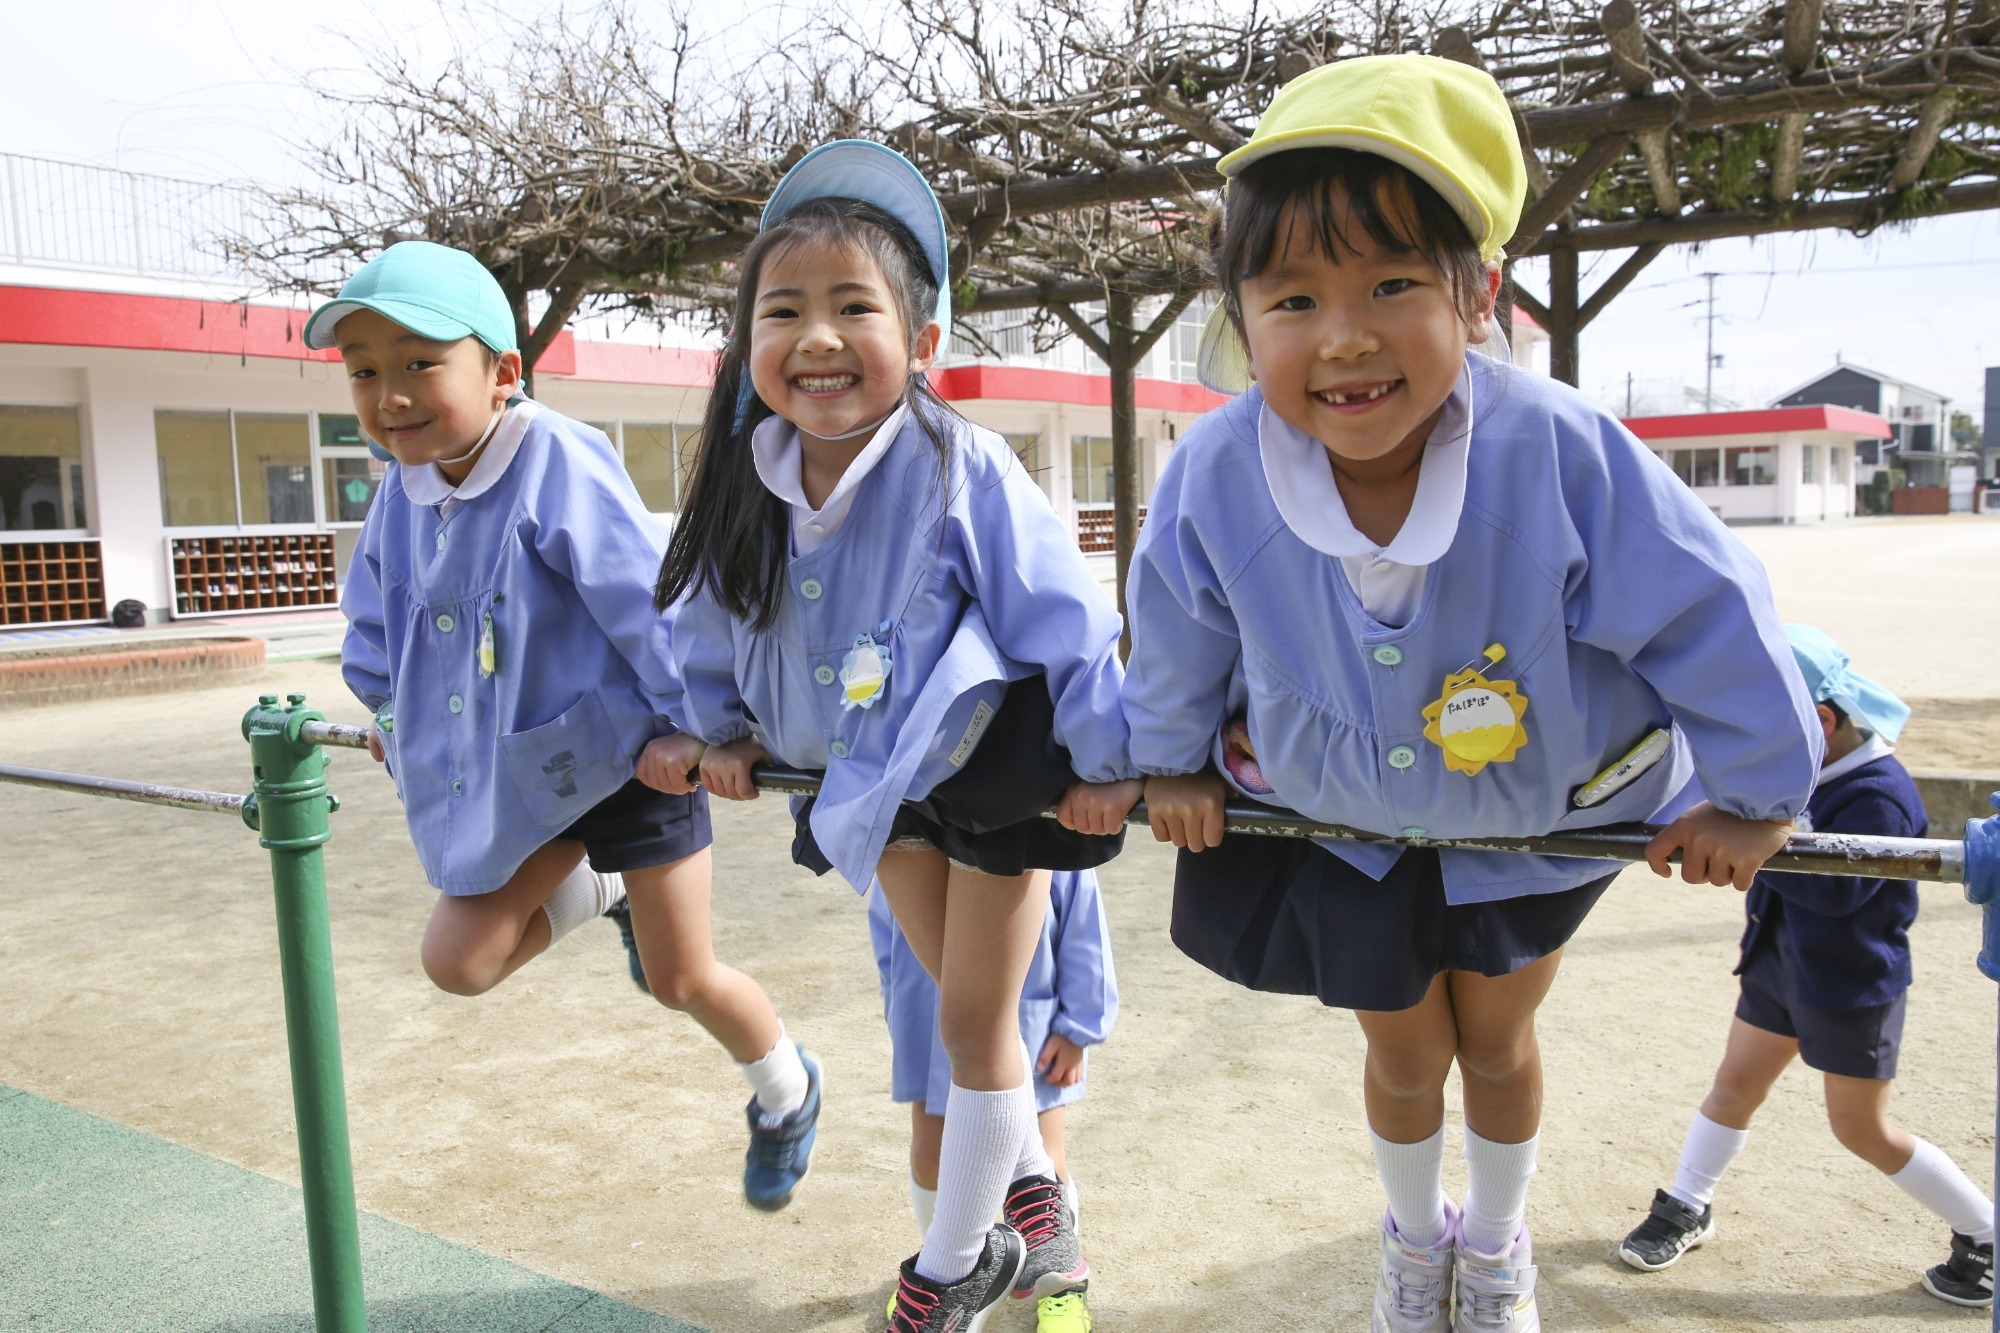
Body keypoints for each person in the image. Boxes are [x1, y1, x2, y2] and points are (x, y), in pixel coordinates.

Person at [1115, 57, 1822, 1332]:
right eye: (1291, 298)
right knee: (1399, 1051)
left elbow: (1704, 605)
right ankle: (1412, 1235)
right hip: (1343, 815)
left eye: (1391, 285)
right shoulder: (1214, 471)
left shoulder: (1553, 449)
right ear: (1240, 316)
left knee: (1492, 1042)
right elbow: (1173, 620)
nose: (1342, 335)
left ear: (1476, 293)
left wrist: (1756, 792)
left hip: (1529, 807)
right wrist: (1166, 763)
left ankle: (1493, 1244)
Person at [643, 140, 1136, 1333]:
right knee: (967, 1025)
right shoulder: (742, 486)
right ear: (746, 346)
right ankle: (1032, 1201)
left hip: (995, 775)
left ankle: (954, 1259)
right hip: (874, 791)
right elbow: (707, 626)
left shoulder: (956, 467)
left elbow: (1065, 616)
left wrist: (1113, 765)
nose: (815, 338)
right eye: (783, 312)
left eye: (851, 307)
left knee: (974, 1027)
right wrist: (709, 736)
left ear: (921, 346)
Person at [321, 240, 820, 1212]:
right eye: (365, 372)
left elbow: (647, 602)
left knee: (681, 978)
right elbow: (374, 624)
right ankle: (602, 888)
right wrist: (387, 708)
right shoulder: (400, 492)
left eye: (421, 363)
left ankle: (785, 1089)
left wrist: (699, 728)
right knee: (457, 962)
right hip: (519, 777)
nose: (392, 395)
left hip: (634, 762)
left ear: (502, 371)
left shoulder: (549, 457)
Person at [1619, 625, 1994, 1307]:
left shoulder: (1878, 790)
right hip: (1778, 964)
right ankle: (1688, 1202)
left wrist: (1760, 840)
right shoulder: (1801, 769)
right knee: (1733, 1085)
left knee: (1861, 1126)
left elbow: (1837, 890)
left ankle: (1985, 1232)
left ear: (1819, 721)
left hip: (1850, 985)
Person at [870, 869, 1117, 1332]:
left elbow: (1085, 933)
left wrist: (1078, 1028)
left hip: (1031, 1029)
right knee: (930, 1156)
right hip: (928, 1036)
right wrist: (899, 1017)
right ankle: (947, 1270)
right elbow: (889, 937)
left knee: (1049, 1155)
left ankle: (1060, 1289)